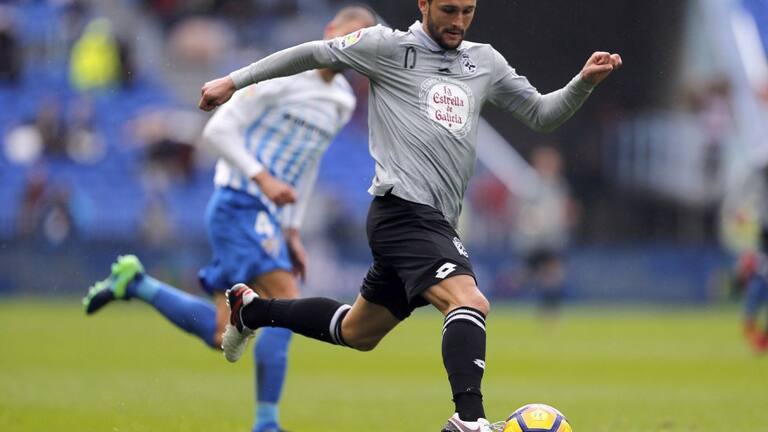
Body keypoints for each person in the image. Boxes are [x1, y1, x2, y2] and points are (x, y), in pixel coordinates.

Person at [198, 1, 622, 431]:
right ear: (424, 4)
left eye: (468, 11)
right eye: (449, 10)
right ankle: (470, 420)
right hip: (402, 210)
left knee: (357, 332)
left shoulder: (484, 62)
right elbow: (313, 52)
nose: (458, 21)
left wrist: (583, 83)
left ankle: (253, 310)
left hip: (438, 220)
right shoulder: (385, 47)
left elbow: (542, 114)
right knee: (469, 300)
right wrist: (233, 81)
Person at [82, 6, 377, 432]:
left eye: (364, 40)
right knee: (286, 300)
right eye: (350, 34)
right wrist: (262, 178)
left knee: (223, 333)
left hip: (270, 216)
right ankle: (266, 422)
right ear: (330, 31)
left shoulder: (342, 101)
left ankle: (137, 283)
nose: (354, 45)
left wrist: (292, 229)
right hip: (238, 201)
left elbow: (307, 164)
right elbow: (217, 131)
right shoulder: (284, 76)